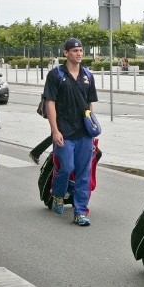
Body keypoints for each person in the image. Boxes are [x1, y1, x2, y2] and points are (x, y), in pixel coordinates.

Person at [43, 38, 98, 227]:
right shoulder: (56, 75)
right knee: (66, 168)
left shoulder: (88, 75)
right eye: (75, 51)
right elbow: (49, 102)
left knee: (84, 172)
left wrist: (92, 125)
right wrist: (55, 130)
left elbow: (89, 103)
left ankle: (80, 212)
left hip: (84, 133)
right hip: (64, 132)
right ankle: (58, 194)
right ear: (66, 53)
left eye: (81, 50)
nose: (79, 54)